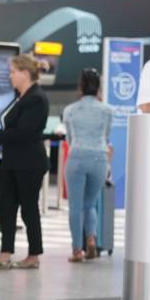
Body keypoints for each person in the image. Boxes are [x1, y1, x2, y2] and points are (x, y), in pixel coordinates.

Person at [0, 54, 50, 270]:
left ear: (25, 73)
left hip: (29, 162)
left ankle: (34, 254)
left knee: (29, 208)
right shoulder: (21, 96)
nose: (10, 76)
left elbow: (24, 132)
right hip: (12, 161)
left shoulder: (36, 98)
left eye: (13, 72)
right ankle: (5, 252)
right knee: (7, 207)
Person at [63, 68, 113, 262]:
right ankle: (91, 239)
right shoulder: (107, 110)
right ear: (98, 87)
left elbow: (69, 137)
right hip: (99, 158)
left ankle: (77, 250)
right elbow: (106, 135)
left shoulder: (70, 110)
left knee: (75, 206)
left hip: (77, 157)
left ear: (80, 87)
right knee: (90, 204)